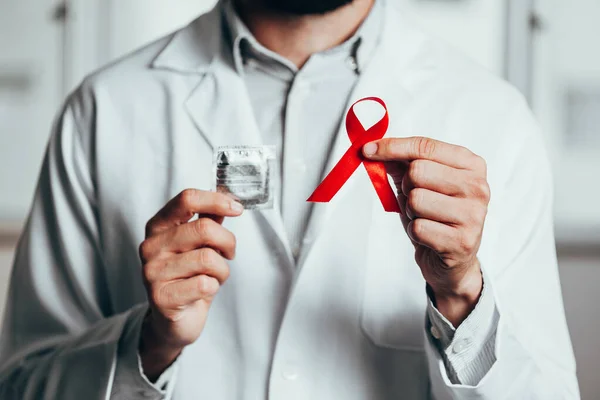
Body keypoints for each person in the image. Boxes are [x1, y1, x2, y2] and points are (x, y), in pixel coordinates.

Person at [0, 0, 580, 398]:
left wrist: (462, 302)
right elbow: (22, 385)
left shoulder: (493, 118)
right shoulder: (102, 111)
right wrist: (147, 344)